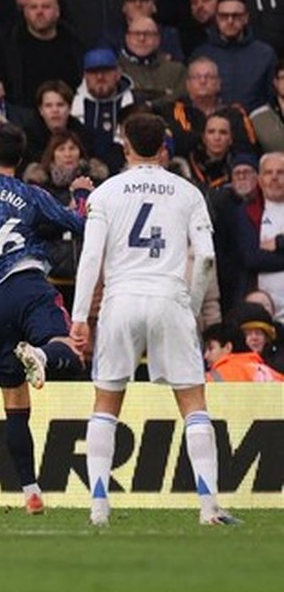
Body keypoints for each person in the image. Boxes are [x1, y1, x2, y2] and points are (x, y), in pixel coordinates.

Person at [71, 112, 239, 526]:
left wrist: (78, 317)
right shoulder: (188, 192)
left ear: (125, 145)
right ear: (163, 146)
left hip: (121, 300)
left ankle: (98, 506)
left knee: (107, 403)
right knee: (194, 405)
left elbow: (90, 258)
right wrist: (190, 301)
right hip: (169, 299)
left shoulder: (106, 192)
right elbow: (207, 256)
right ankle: (208, 506)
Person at [0, 122, 89, 515]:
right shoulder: (30, 193)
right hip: (28, 284)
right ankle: (42, 356)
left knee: (14, 400)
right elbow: (79, 225)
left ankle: (30, 489)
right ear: (20, 159)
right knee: (70, 351)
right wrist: (79, 196)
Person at [202, 323, 284, 381]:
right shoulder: (269, 373)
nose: (206, 356)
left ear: (228, 347)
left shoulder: (213, 378)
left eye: (211, 348)